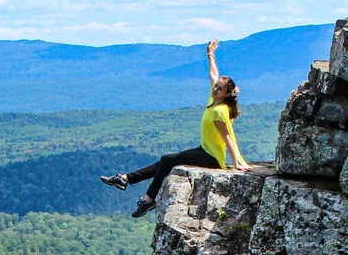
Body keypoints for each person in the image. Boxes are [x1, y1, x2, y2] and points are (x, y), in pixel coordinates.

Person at [102, 39, 248, 217]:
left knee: (167, 159)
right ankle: (125, 179)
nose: (215, 89)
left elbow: (227, 138)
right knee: (165, 161)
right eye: (216, 86)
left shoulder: (219, 111)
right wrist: (210, 55)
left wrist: (236, 163)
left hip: (212, 157)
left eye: (219, 88)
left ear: (226, 94)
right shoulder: (213, 102)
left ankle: (148, 199)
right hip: (205, 151)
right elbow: (213, 74)